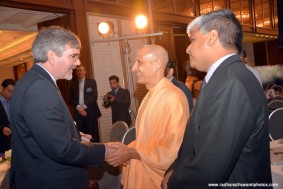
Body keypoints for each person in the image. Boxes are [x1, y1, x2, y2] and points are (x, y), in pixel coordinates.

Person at [162, 9, 272, 189]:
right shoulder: (224, 77)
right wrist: (174, 167)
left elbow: (209, 167)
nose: (188, 48)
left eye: (192, 40)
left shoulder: (231, 82)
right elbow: (196, 139)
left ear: (212, 37)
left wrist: (174, 182)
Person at [9, 26, 109, 189]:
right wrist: (105, 151)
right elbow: (61, 150)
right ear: (52, 57)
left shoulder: (33, 80)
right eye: (73, 56)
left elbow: (42, 133)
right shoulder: (39, 87)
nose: (78, 63)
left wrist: (74, 134)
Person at [106, 44, 189, 189]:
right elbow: (146, 141)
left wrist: (131, 152)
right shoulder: (150, 94)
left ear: (157, 64)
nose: (133, 68)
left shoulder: (172, 97)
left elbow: (173, 152)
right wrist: (126, 148)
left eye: (139, 62)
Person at [70, 65, 101, 142]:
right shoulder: (73, 84)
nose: (79, 72)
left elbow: (94, 96)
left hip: (91, 112)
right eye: (77, 71)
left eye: (81, 70)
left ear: (85, 72)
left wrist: (83, 107)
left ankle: (96, 152)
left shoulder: (91, 82)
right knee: (81, 135)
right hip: (78, 113)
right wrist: (79, 108)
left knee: (93, 135)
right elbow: (71, 99)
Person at [0, 79, 15, 154]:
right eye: (9, 91)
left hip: (13, 143)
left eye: (13, 92)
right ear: (2, 88)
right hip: (1, 144)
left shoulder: (14, 102)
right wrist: (2, 128)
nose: (11, 94)